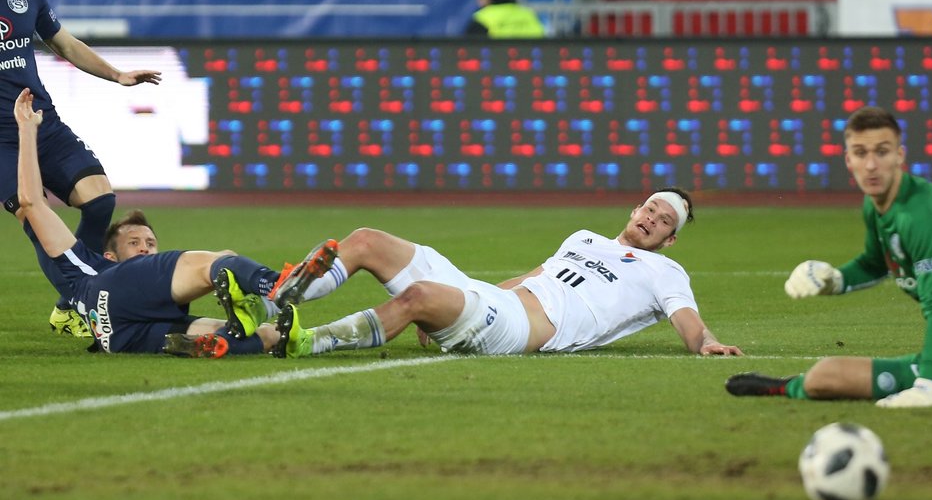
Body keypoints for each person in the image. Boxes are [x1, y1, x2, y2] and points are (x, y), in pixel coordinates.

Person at [725, 106, 932, 408]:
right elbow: (875, 262)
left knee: (827, 375)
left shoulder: (921, 215)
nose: (870, 165)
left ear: (899, 156)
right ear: (848, 159)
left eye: (881, 152)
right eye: (861, 153)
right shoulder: (878, 204)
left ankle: (787, 387)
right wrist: (834, 280)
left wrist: (927, 385)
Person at [13, 87, 335, 357]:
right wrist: (27, 131)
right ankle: (275, 285)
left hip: (116, 337)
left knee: (263, 335)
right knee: (220, 259)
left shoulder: (106, 289)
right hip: (112, 291)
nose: (145, 248)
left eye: (150, 243)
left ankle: (228, 341)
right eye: (134, 242)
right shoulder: (86, 267)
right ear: (109, 255)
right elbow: (32, 202)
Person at [268, 188, 743, 360]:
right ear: (635, 207)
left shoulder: (665, 270)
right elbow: (531, 277)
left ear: (670, 238)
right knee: (368, 239)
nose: (650, 220)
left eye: (663, 221)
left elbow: (689, 323)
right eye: (650, 209)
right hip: (497, 302)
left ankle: (306, 341)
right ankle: (273, 301)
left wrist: (706, 344)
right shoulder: (583, 239)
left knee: (418, 297)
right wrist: (465, 302)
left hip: (521, 330)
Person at [0, 0, 165, 337]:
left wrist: (118, 75)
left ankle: (72, 303)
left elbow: (66, 44)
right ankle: (90, 305)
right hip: (2, 140)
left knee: (99, 198)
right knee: (39, 218)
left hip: (42, 122)